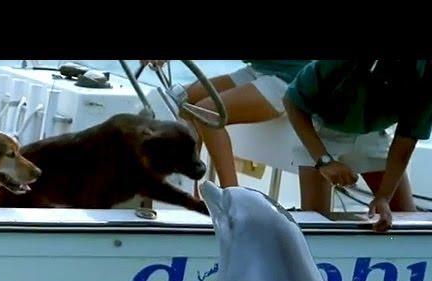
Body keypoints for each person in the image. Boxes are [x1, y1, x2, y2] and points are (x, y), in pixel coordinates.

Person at [283, 60, 432, 232]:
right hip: (324, 132)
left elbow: (405, 141)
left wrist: (384, 196)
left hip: (373, 133)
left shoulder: (426, 76)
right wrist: (324, 160)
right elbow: (292, 101)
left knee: (407, 221)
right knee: (314, 224)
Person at [141, 60, 311, 187]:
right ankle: (191, 191)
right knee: (184, 103)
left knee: (207, 112)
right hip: (260, 69)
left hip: (292, 79)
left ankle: (232, 194)